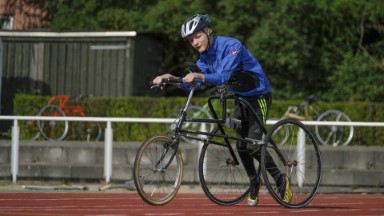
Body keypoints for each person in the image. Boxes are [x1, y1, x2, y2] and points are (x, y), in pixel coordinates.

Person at [152, 14, 292, 206]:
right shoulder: (204, 58)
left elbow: (222, 77)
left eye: (197, 36)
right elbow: (193, 84)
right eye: (190, 40)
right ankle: (254, 182)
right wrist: (171, 79)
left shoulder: (232, 46)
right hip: (241, 98)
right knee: (241, 146)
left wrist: (198, 76)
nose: (194, 42)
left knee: (252, 145)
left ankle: (280, 179)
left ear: (209, 31)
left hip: (259, 95)